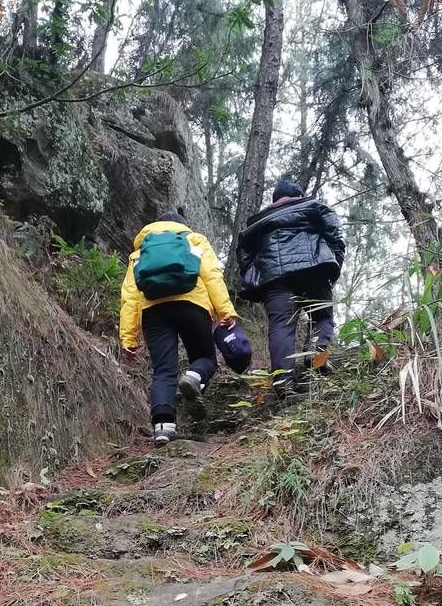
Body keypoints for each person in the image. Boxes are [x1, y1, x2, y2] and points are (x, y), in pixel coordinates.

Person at [119, 207, 237, 443]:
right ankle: (194, 377)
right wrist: (226, 310)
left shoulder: (142, 250)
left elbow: (130, 294)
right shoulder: (193, 239)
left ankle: (163, 427)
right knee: (206, 358)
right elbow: (212, 275)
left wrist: (128, 337)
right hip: (192, 305)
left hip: (153, 310)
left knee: (164, 370)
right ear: (183, 225)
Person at [237, 178, 344, 394]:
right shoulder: (314, 207)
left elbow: (244, 254)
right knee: (322, 316)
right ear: (299, 194)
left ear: (275, 199)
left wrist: (257, 272)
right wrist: (333, 264)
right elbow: (336, 236)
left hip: (275, 278)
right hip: (313, 269)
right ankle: (315, 354)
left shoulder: (257, 224)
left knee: (281, 325)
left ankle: (283, 383)